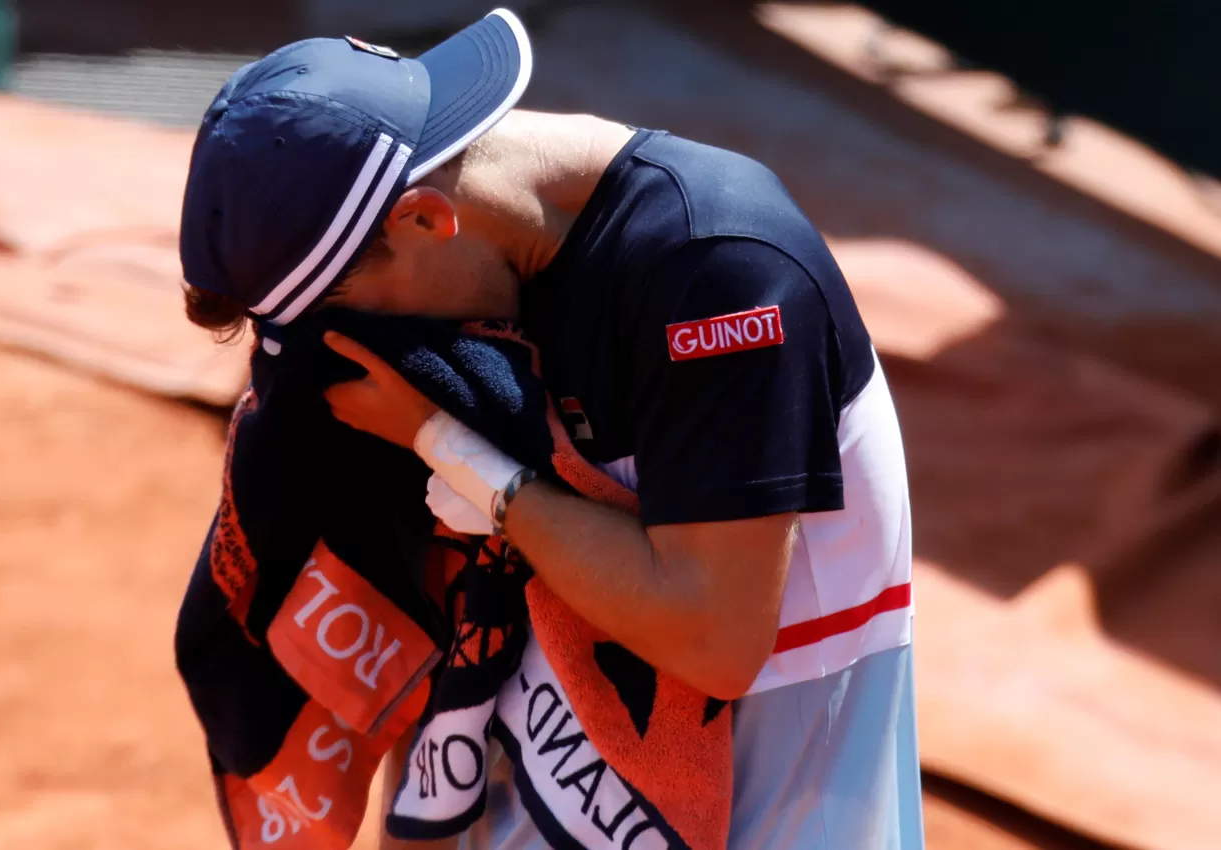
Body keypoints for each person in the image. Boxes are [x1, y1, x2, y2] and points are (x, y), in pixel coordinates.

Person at [177, 8, 924, 849]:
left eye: (347, 313)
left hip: (776, 812)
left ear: (424, 219)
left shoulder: (722, 273)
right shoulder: (482, 283)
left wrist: (449, 449)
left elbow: (715, 637)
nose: (353, 353)